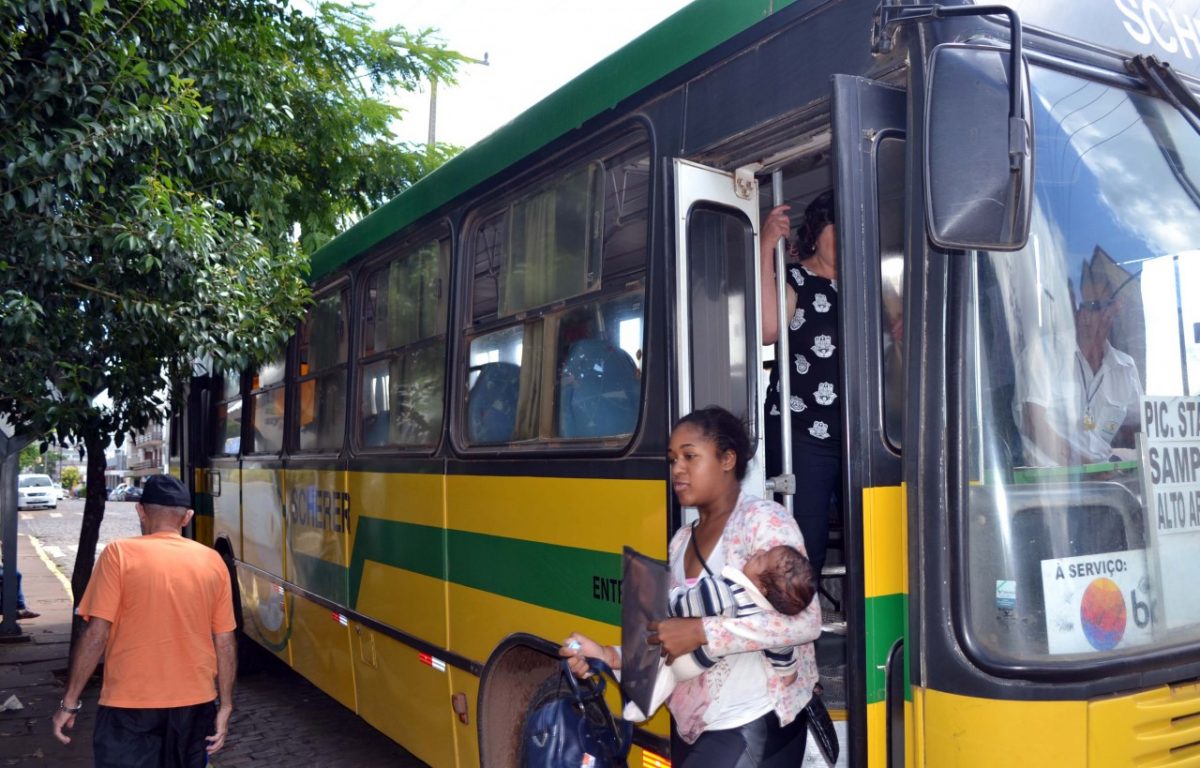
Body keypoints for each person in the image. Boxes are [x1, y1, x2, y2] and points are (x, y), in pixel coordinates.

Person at [562, 407, 821, 766]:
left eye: (689, 456)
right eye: (672, 460)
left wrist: (702, 632)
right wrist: (609, 656)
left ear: (727, 459)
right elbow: (668, 635)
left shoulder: (762, 521)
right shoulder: (681, 540)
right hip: (696, 725)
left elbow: (804, 623)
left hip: (754, 720)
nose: (677, 469)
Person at [51, 474, 237, 767]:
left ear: (140, 510)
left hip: (129, 706)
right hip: (194, 703)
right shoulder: (212, 560)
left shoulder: (118, 555)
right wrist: (224, 705)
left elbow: (97, 634)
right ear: (186, 517)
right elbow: (225, 640)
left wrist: (70, 702)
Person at [759, 190, 841, 582]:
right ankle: (793, 632)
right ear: (816, 232)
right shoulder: (795, 278)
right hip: (801, 432)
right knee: (806, 542)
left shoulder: (864, 286)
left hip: (860, 434)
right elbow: (767, 330)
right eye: (833, 227)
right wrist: (765, 247)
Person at [1018, 261, 1143, 466]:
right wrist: (1087, 467)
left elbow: (1141, 427)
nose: (1102, 315)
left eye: (1105, 306)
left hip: (1107, 484)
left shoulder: (1125, 367)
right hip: (1050, 487)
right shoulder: (1043, 354)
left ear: (1117, 309)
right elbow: (1034, 424)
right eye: (1091, 307)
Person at [667, 543, 815, 684]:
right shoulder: (769, 622)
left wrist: (663, 599)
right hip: (695, 666)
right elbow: (782, 649)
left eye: (760, 559)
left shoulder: (728, 592)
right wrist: (788, 673)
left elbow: (682, 605)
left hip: (682, 657)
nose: (759, 551)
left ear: (762, 588)